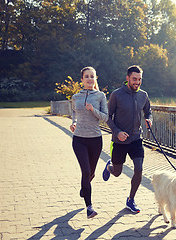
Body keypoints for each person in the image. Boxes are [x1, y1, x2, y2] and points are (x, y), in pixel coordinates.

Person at [102, 65, 152, 213]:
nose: (137, 82)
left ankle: (130, 200)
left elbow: (148, 112)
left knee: (139, 169)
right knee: (117, 172)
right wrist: (117, 132)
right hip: (119, 141)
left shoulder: (143, 95)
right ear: (127, 78)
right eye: (134, 79)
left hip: (136, 139)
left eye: (139, 79)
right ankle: (109, 166)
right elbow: (107, 117)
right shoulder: (116, 95)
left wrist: (149, 119)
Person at [70, 66, 108, 218]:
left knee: (91, 174)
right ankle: (89, 207)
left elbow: (105, 117)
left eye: (92, 76)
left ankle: (83, 188)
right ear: (82, 79)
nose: (90, 79)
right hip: (79, 140)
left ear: (95, 78)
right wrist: (73, 122)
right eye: (87, 76)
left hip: (95, 140)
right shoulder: (76, 97)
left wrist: (93, 110)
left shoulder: (100, 96)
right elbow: (73, 111)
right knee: (85, 172)